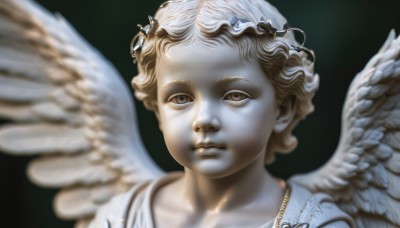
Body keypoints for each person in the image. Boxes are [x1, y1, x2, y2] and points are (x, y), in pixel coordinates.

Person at [91, 0, 354, 227]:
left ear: (282, 109)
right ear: (159, 111)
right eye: (180, 98)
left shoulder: (315, 222)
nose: (204, 120)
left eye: (235, 95)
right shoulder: (120, 218)